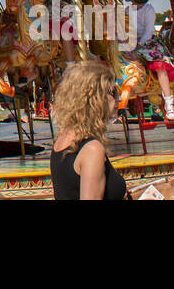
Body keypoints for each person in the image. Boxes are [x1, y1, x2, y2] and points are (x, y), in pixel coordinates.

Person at [50, 60, 129, 200]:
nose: (119, 98)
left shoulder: (62, 141)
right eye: (113, 92)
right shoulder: (92, 149)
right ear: (95, 97)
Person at [124, 0, 174, 120]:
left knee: (159, 67)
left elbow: (149, 30)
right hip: (131, 43)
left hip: (147, 42)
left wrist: (139, 44)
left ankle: (168, 101)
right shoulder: (126, 10)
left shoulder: (148, 9)